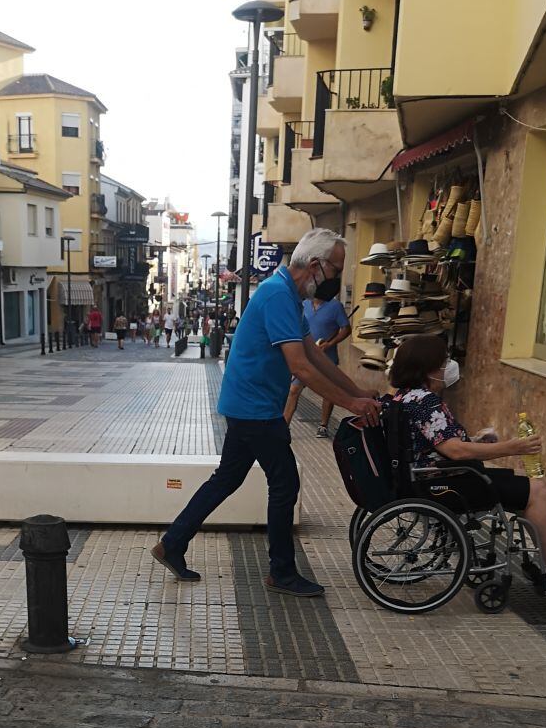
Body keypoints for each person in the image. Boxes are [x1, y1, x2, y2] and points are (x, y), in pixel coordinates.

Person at [152, 229, 381, 597]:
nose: (338, 279)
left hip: (249, 403)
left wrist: (358, 391)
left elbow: (316, 355)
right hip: (255, 407)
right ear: (316, 265)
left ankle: (172, 544)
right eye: (336, 270)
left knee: (227, 479)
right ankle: (282, 572)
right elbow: (300, 367)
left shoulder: (288, 295)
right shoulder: (277, 295)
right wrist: (351, 405)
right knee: (285, 481)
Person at [385, 335, 546, 586]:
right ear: (428, 368)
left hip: (432, 476)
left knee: (519, 487)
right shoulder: (426, 402)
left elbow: (436, 443)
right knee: (536, 489)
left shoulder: (405, 397)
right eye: (443, 362)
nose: (448, 367)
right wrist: (512, 447)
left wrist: (477, 440)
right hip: (443, 482)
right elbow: (455, 451)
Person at [283, 294, 352, 438]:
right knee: (294, 390)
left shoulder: (335, 306)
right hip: (305, 357)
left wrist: (330, 344)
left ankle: (323, 425)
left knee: (328, 391)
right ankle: (285, 426)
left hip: (326, 358)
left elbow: (346, 329)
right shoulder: (304, 305)